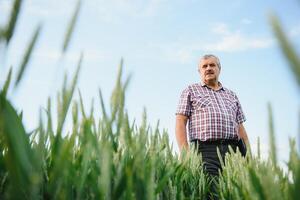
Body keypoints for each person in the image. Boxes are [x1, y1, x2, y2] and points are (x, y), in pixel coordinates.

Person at [175, 54, 249, 200]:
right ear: (199, 71)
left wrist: (248, 155)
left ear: (219, 69)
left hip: (233, 152)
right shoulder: (191, 90)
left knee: (234, 193)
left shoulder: (232, 95)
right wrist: (186, 154)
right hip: (204, 151)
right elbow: (180, 122)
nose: (208, 68)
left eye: (212, 65)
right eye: (204, 66)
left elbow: (240, 128)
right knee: (211, 194)